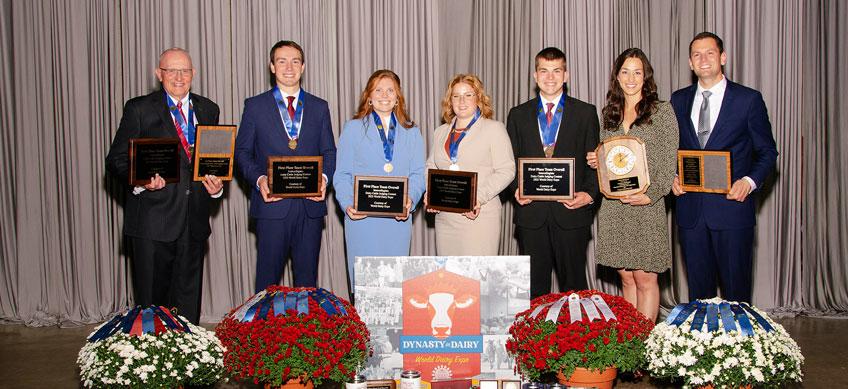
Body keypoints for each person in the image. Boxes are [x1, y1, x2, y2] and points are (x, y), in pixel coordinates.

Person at [106, 48, 222, 324]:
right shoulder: (140, 108)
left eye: (185, 70)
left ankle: (188, 363)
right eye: (172, 70)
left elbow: (211, 161)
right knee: (151, 310)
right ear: (159, 74)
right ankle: (153, 365)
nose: (179, 77)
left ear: (193, 74)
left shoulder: (208, 108)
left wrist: (216, 186)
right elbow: (116, 160)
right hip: (152, 223)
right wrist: (141, 180)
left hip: (193, 222)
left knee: (188, 306)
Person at [670, 32, 778, 303]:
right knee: (699, 296)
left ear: (723, 57)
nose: (703, 59)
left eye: (710, 53)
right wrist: (671, 177)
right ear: (690, 63)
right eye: (697, 54)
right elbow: (670, 150)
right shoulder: (678, 100)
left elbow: (767, 152)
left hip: (732, 211)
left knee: (736, 293)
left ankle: (739, 344)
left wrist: (750, 182)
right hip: (691, 212)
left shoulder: (748, 99)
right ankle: (701, 345)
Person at [234, 40, 336, 292]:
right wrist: (259, 181)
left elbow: (329, 151)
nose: (288, 67)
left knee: (307, 284)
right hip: (271, 208)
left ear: (303, 67)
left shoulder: (319, 106)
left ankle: (304, 332)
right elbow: (243, 152)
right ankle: (260, 331)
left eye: (295, 61)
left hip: (310, 208)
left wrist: (323, 179)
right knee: (267, 283)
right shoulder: (255, 106)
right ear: (272, 67)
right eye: (282, 61)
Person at [586, 48, 679, 321]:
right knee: (626, 278)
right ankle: (631, 345)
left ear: (645, 77)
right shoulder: (609, 114)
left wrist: (650, 195)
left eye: (637, 72)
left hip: (646, 206)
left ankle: (644, 350)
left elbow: (668, 157)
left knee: (645, 279)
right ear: (617, 76)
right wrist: (597, 158)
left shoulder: (661, 111)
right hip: (614, 208)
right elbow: (608, 156)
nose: (631, 78)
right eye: (625, 72)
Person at [506, 47, 600, 299]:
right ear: (535, 76)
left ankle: (577, 339)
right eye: (544, 71)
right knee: (534, 289)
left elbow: (596, 162)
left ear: (566, 75)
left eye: (556, 71)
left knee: (575, 290)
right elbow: (508, 163)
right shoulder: (518, 114)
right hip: (532, 214)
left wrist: (589, 195)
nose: (550, 77)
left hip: (571, 213)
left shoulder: (586, 113)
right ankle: (536, 339)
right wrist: (516, 188)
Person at [333, 69, 425, 288]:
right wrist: (347, 205)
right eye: (379, 90)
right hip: (362, 221)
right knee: (365, 288)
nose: (385, 95)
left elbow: (418, 174)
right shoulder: (353, 128)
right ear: (369, 97)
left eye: (390, 90)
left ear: (397, 97)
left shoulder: (412, 132)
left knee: (393, 288)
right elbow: (342, 174)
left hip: (397, 222)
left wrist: (410, 201)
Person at [425, 74, 515, 255]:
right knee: (449, 279)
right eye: (456, 96)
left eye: (468, 95)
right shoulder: (440, 132)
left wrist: (478, 198)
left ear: (479, 98)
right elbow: (430, 167)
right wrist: (430, 194)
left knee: (478, 278)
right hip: (445, 219)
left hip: (479, 216)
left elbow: (507, 170)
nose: (462, 101)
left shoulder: (494, 129)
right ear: (450, 101)